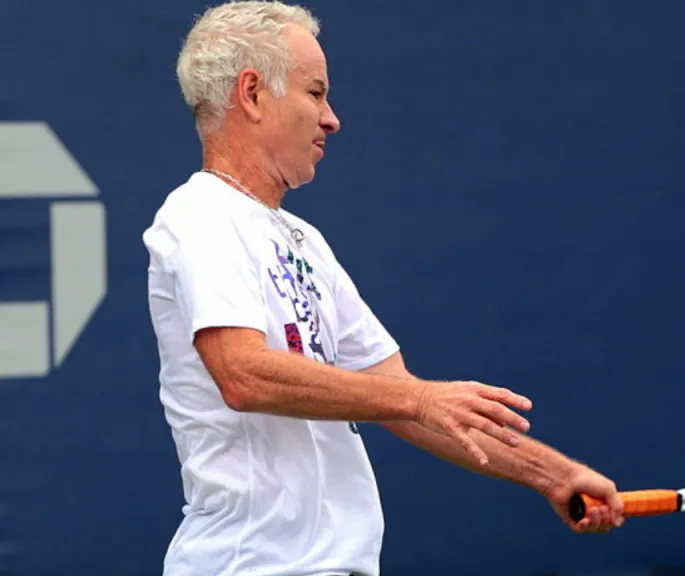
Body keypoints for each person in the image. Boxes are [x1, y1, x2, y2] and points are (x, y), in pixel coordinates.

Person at [142, 2, 625, 575]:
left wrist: (552, 474)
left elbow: (398, 398)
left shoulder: (303, 241)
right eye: (315, 93)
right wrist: (419, 399)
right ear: (251, 94)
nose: (332, 119)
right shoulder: (200, 214)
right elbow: (243, 374)